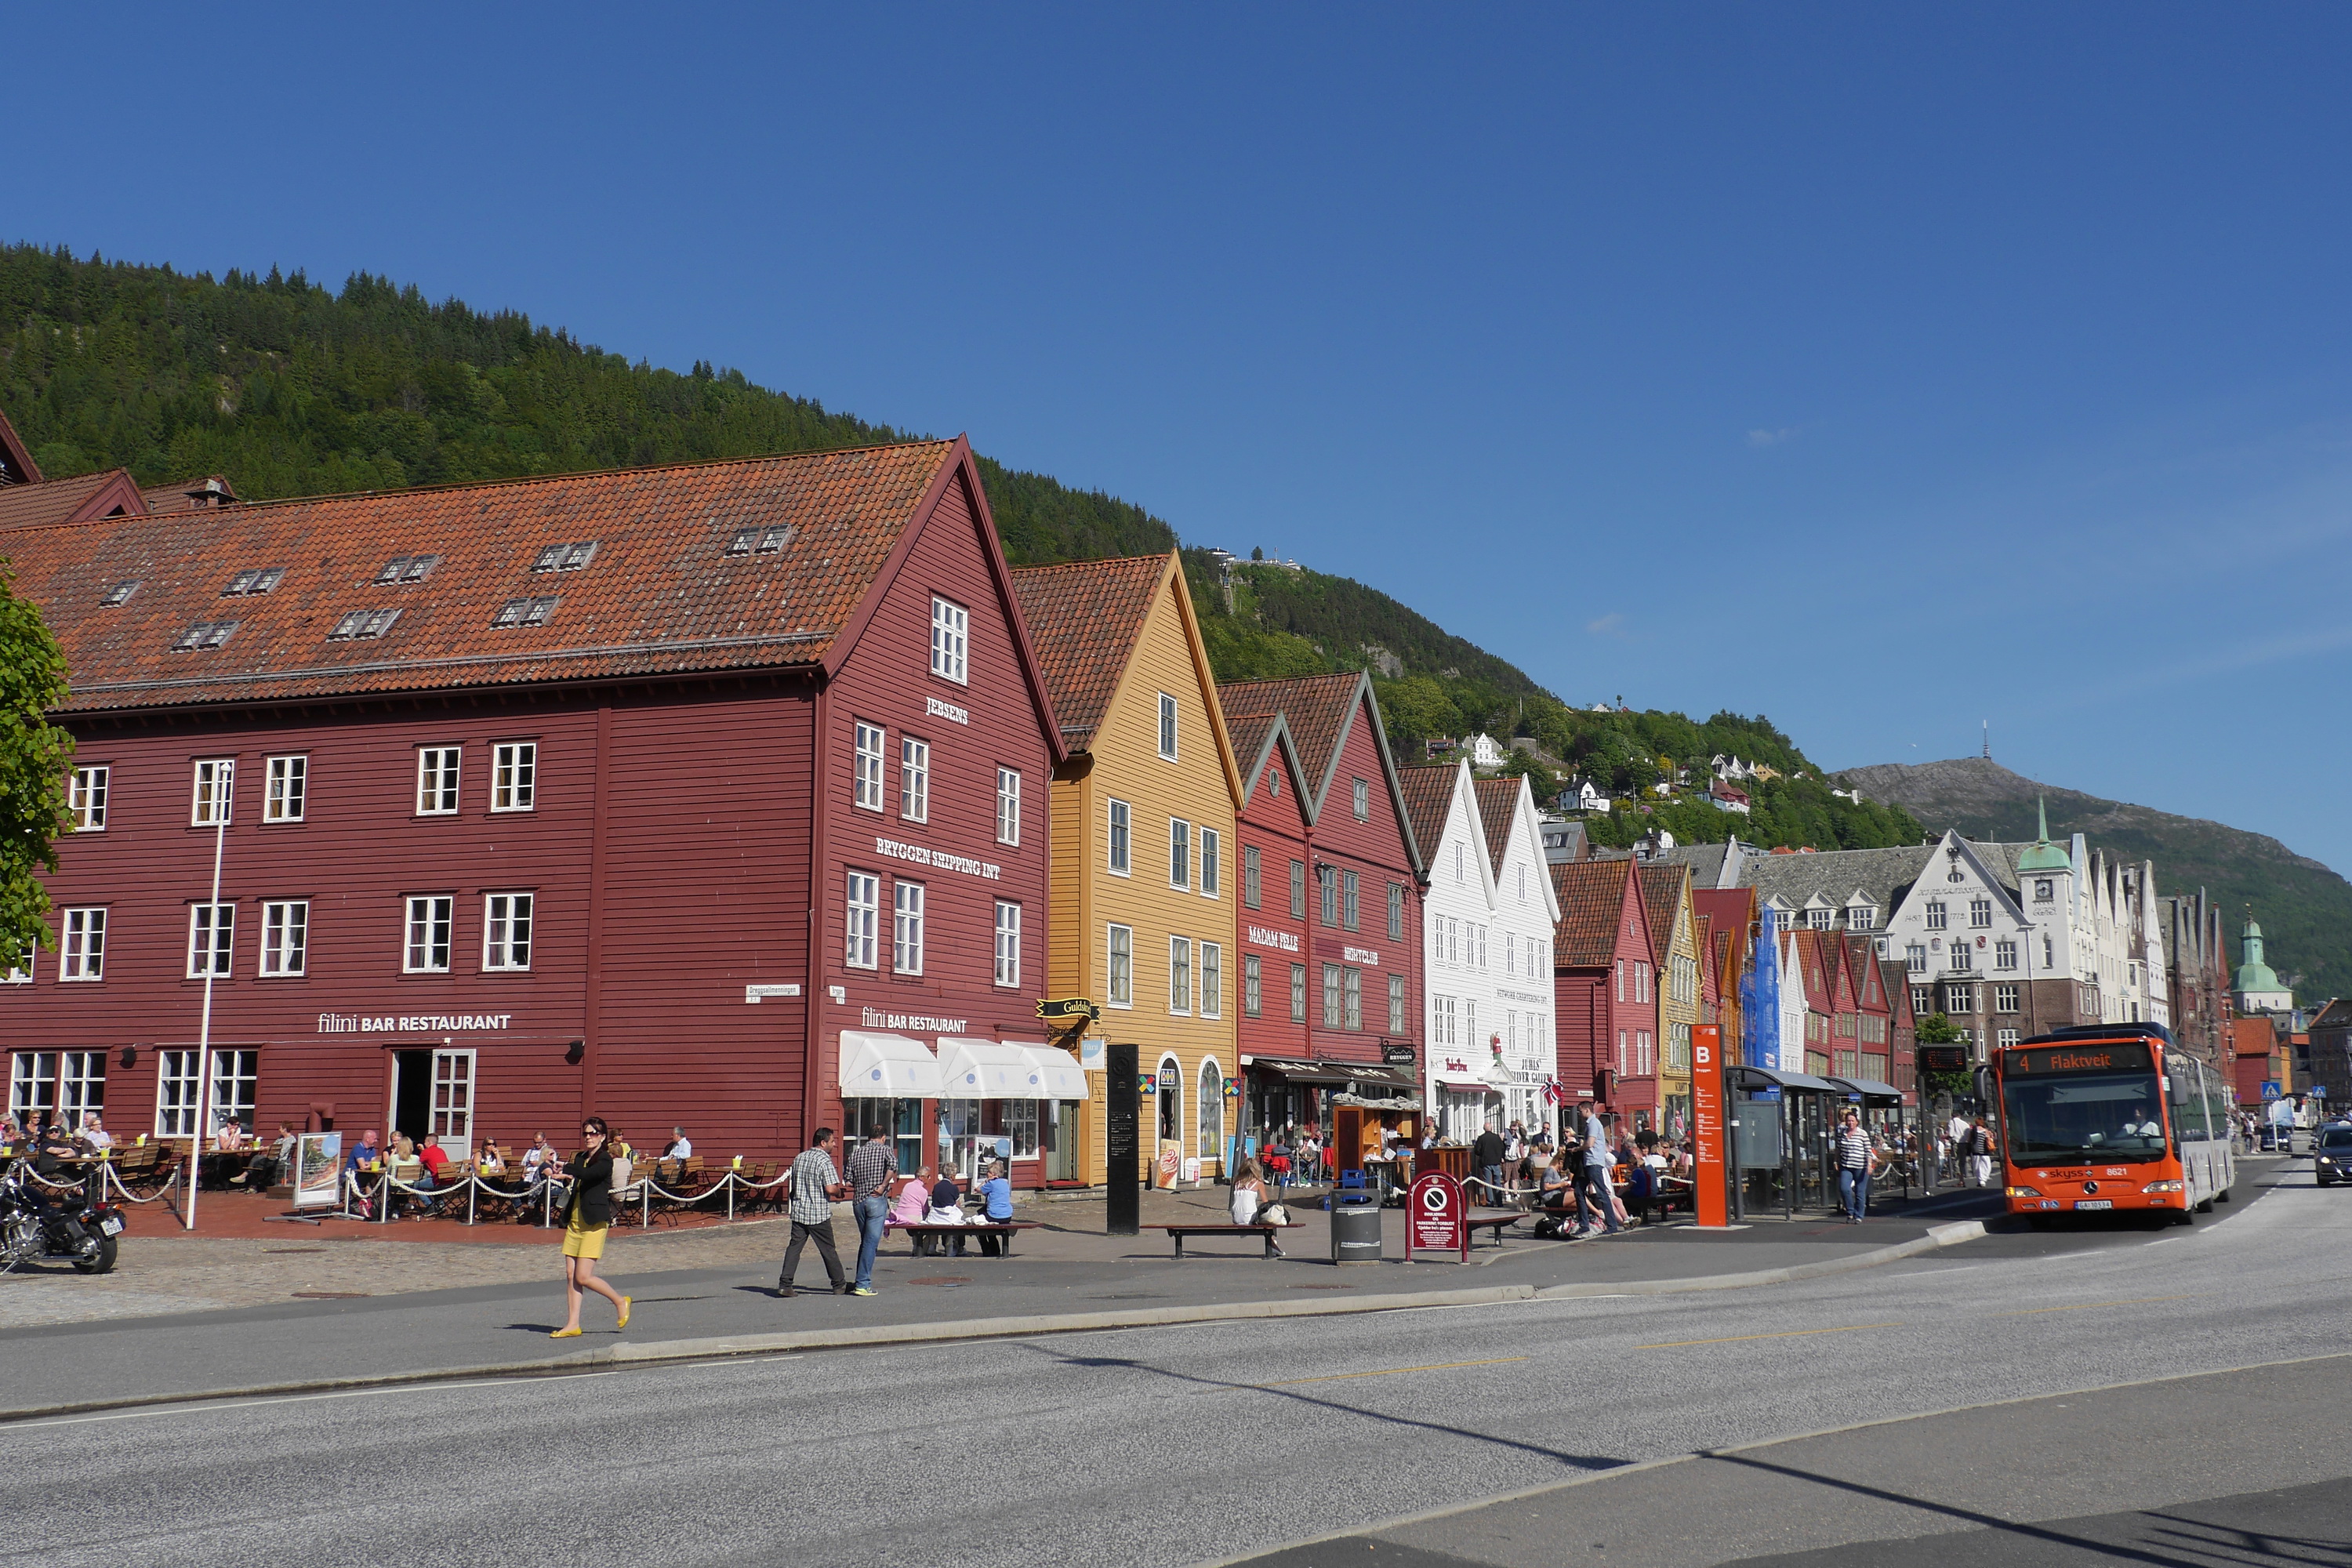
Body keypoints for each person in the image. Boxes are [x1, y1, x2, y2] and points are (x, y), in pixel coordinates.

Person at [551, 1116, 629, 1337]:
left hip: (594, 1222)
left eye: (593, 1133)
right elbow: (578, 1177)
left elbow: (588, 1174)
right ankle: (572, 1324)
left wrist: (568, 1168)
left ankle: (620, 1300)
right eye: (585, 1133)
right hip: (575, 1219)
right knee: (570, 1274)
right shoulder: (580, 1157)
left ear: (603, 1136)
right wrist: (565, 1173)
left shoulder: (605, 1160)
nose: (588, 1137)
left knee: (583, 1276)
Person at [778, 1127, 849, 1297]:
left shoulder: (800, 1158)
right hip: (818, 1213)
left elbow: (795, 1184)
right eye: (832, 1141)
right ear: (823, 1142)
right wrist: (840, 1193)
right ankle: (839, 1284)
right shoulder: (824, 1160)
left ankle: (785, 1284)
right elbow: (831, 1188)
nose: (834, 1144)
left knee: (794, 1248)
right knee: (828, 1250)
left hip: (800, 1210)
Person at [844, 1130, 895, 1296]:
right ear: (883, 1137)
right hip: (876, 1198)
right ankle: (863, 1283)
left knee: (865, 1241)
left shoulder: (856, 1153)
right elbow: (893, 1166)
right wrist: (882, 1185)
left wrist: (862, 1183)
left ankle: (861, 1279)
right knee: (871, 1243)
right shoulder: (886, 1150)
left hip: (858, 1201)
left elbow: (849, 1180)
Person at [1573, 1103, 1624, 1237]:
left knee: (1602, 1193)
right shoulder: (1590, 1124)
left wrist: (1577, 1148)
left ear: (1587, 1110)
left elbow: (1590, 1143)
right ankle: (1584, 1224)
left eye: (1580, 1111)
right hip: (1588, 1162)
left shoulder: (1593, 1123)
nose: (1579, 1114)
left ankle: (1612, 1225)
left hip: (1594, 1162)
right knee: (1579, 1191)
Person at [1835, 1109, 1878, 1224]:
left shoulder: (1862, 1133)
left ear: (1857, 1122)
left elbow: (1868, 1151)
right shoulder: (1842, 1134)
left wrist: (1869, 1165)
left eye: (1853, 1121)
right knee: (1844, 1189)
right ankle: (1850, 1212)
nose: (1850, 1123)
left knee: (1860, 1192)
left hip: (1861, 1166)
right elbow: (1838, 1149)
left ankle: (1859, 1215)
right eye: (1849, 1121)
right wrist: (1836, 1161)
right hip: (1846, 1165)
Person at [973, 1160, 1016, 1257]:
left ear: (992, 1173)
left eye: (988, 1172)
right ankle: (995, 1250)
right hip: (1007, 1215)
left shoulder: (991, 1184)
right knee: (983, 1213)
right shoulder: (1006, 1183)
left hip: (994, 1215)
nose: (986, 1174)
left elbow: (977, 1190)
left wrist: (985, 1181)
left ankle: (987, 1250)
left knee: (980, 1225)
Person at [925, 1168, 969, 1258]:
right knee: (961, 1221)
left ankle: (933, 1247)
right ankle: (960, 1247)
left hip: (935, 1217)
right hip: (949, 1218)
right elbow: (958, 1204)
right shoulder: (953, 1188)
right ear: (952, 1176)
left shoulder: (936, 1186)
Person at [892, 1164, 934, 1254]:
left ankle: (916, 1246)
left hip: (901, 1215)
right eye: (928, 1176)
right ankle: (926, 1249)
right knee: (932, 1224)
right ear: (921, 1177)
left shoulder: (907, 1185)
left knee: (917, 1222)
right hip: (913, 1217)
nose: (930, 1178)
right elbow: (925, 1209)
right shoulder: (923, 1191)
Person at [1472, 1123, 1506, 1209]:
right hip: (1496, 1162)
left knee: (1488, 1183)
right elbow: (1503, 1148)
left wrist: (1482, 1154)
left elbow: (1477, 1151)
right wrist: (1501, 1157)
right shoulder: (1497, 1138)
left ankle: (1490, 1201)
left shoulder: (1481, 1138)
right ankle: (1499, 1201)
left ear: (1484, 1129)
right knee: (1497, 1182)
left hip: (1486, 1162)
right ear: (1492, 1128)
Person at [1230, 1157, 1267, 1225]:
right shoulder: (1258, 1183)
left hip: (1236, 1217)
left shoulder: (1237, 1182)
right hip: (1250, 1217)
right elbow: (1265, 1203)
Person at [1968, 1118, 1997, 1189]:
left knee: (1977, 1166)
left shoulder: (1973, 1130)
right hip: (1984, 1151)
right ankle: (1983, 1179)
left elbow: (1969, 1140)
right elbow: (1991, 1139)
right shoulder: (1986, 1131)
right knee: (1986, 1166)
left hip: (1976, 1150)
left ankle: (1980, 1180)